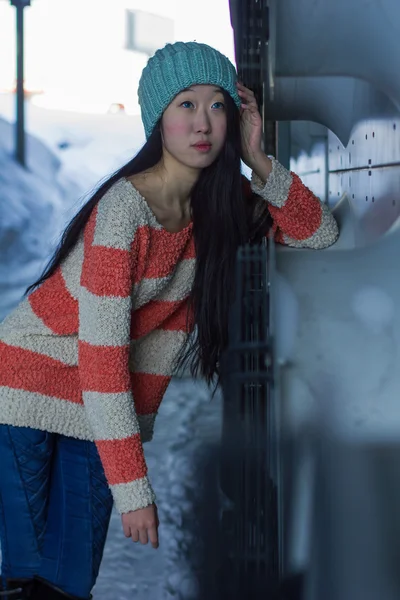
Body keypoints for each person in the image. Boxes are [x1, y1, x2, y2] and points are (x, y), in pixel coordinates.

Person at [0, 41, 339, 600]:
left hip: (97, 406)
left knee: (68, 576)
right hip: (27, 384)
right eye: (186, 104)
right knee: (29, 570)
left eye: (218, 105)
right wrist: (134, 491)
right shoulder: (122, 212)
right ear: (158, 119)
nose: (203, 122)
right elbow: (103, 360)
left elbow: (318, 231)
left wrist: (259, 162)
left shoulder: (218, 210)